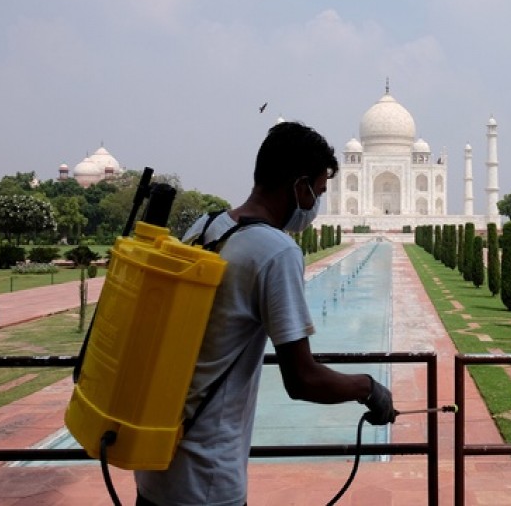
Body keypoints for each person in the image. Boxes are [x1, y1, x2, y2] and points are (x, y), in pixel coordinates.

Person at [134, 121, 395, 506]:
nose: (315, 204)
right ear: (299, 186)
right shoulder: (275, 250)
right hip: (207, 481)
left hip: (155, 468)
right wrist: (369, 389)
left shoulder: (205, 227)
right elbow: (301, 379)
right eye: (318, 191)